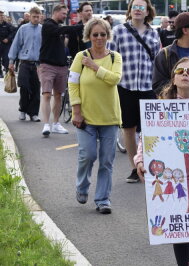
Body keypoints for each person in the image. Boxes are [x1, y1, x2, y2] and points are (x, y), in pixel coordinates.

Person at [135, 57, 189, 266]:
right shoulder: (161, 106)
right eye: (180, 71)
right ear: (173, 79)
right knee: (178, 214)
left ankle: (188, 260)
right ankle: (183, 263)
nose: (185, 74)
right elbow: (146, 138)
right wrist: (140, 159)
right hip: (172, 170)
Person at [69, 18, 122, 214]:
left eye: (103, 34)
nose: (99, 38)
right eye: (95, 34)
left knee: (106, 161)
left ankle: (102, 199)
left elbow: (114, 79)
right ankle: (82, 187)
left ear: (108, 36)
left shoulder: (115, 57)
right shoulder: (80, 57)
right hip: (86, 118)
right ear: (88, 36)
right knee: (88, 155)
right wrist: (76, 110)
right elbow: (73, 84)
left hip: (110, 118)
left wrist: (94, 66)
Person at [108, 0, 160, 183]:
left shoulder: (154, 33)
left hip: (147, 87)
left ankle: (149, 165)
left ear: (147, 12)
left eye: (141, 7)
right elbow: (111, 58)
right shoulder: (118, 31)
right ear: (130, 11)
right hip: (126, 86)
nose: (137, 10)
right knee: (128, 128)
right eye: (134, 7)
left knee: (150, 129)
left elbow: (157, 61)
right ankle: (133, 167)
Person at [38, 4, 84, 137]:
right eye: (63, 14)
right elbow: (63, 30)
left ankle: (56, 123)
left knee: (58, 96)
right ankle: (46, 124)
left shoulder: (59, 28)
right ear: (56, 12)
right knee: (47, 94)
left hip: (61, 66)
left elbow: (65, 39)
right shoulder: (48, 25)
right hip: (47, 65)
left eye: (66, 14)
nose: (65, 16)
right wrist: (79, 26)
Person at [8, 7, 42, 122]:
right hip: (24, 63)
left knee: (36, 89)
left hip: (37, 64)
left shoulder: (42, 29)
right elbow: (16, 44)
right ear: (30, 16)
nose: (36, 19)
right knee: (24, 87)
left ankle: (34, 113)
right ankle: (23, 110)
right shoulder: (23, 29)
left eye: (38, 17)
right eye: (34, 17)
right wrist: (11, 61)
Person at [0, 10, 15, 78]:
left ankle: (7, 71)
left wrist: (8, 39)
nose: (1, 17)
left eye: (2, 15)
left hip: (6, 45)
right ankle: (0, 73)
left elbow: (13, 32)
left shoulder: (7, 24)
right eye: (0, 15)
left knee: (6, 59)